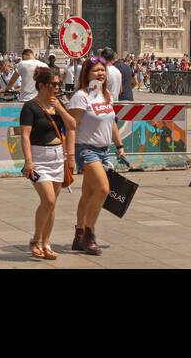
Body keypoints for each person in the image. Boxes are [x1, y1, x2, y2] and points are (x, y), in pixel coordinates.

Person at [68, 57, 126, 256]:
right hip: (86, 149)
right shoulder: (81, 96)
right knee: (102, 189)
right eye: (96, 71)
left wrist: (119, 145)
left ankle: (78, 235)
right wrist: (70, 155)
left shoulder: (105, 94)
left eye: (103, 70)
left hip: (103, 150)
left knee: (88, 194)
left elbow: (110, 122)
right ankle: (89, 234)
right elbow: (72, 126)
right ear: (86, 74)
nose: (100, 73)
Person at [20, 66, 75, 260]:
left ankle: (46, 243)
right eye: (54, 84)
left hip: (57, 157)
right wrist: (28, 161)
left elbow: (72, 125)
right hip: (39, 158)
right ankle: (35, 240)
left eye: (58, 84)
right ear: (42, 86)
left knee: (51, 204)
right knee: (49, 200)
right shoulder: (30, 107)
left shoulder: (57, 105)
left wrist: (60, 107)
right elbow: (25, 136)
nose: (57, 88)